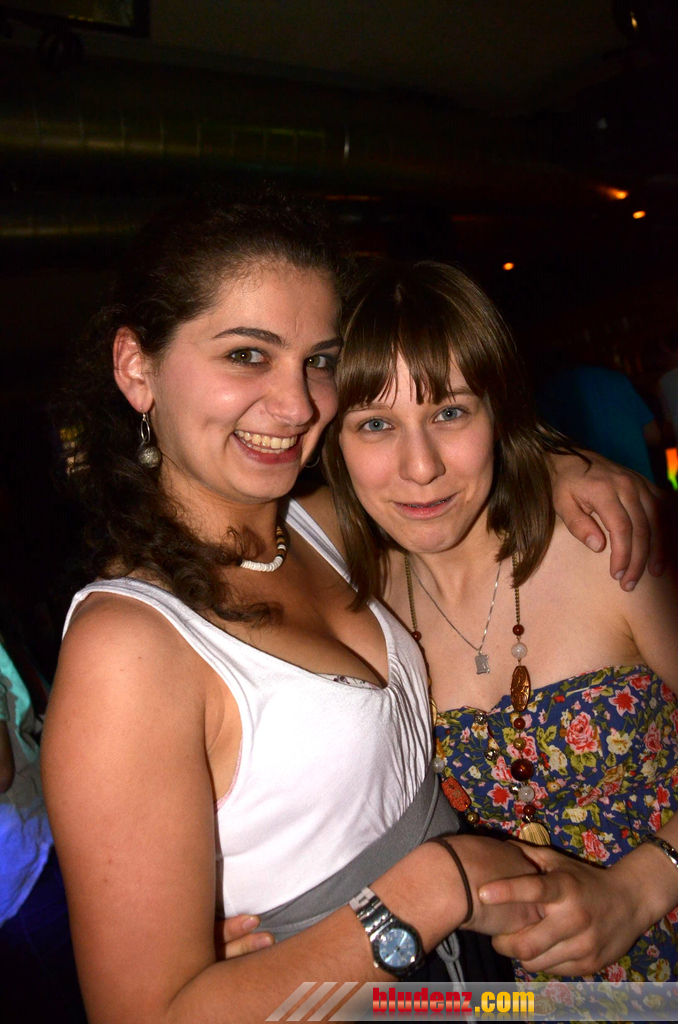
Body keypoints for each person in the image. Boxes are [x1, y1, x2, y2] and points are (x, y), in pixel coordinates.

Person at [43, 195, 665, 1023]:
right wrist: (432, 887)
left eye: (320, 362)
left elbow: (429, 467)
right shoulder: (125, 647)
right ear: (137, 368)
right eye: (246, 354)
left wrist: (561, 463)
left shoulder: (317, 527)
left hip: (488, 990)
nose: (298, 404)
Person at [321, 259, 678, 983]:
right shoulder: (355, 613)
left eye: (450, 413)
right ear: (334, 441)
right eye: (376, 424)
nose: (420, 466)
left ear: (498, 412)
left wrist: (643, 887)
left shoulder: (603, 544)